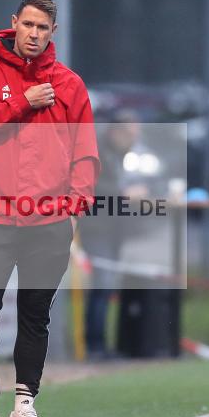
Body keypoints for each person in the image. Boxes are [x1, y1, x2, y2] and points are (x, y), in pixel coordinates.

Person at [0, 0, 99, 417]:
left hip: (49, 219)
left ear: (53, 32)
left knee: (36, 313)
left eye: (43, 28)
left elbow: (85, 153)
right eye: (29, 25)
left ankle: (25, 405)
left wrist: (76, 206)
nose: (35, 34)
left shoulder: (71, 84)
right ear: (14, 23)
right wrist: (22, 101)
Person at [80, 111, 148, 359]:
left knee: (107, 287)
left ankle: (102, 344)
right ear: (117, 132)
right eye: (130, 134)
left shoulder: (125, 155)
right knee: (102, 285)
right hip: (98, 229)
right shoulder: (97, 152)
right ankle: (95, 344)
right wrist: (123, 193)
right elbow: (92, 186)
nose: (133, 140)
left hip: (116, 230)